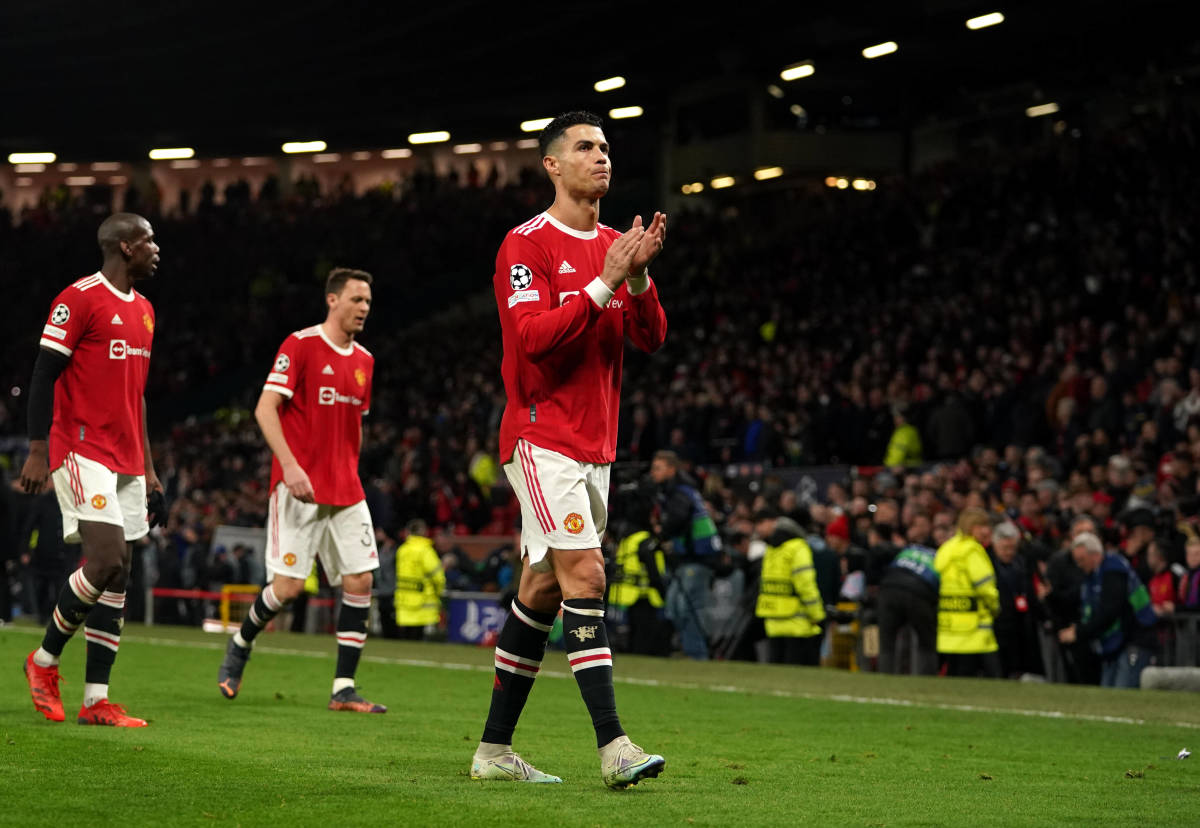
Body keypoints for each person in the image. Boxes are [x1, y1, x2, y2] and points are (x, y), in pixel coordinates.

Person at [471, 111, 668, 789]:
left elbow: (652, 338)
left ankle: (494, 751)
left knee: (544, 588)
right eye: (585, 147)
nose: (601, 157)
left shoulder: (618, 244)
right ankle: (613, 745)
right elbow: (531, 338)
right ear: (552, 165)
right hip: (539, 434)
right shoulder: (525, 244)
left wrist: (637, 279)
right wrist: (605, 283)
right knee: (586, 576)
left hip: (597, 447)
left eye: (606, 147)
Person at [216, 267, 385, 713]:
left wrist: (350, 469)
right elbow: (265, 408)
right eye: (356, 299)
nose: (363, 308)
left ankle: (343, 688)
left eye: (368, 301)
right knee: (288, 588)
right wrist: (289, 466)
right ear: (332, 300)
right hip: (299, 488)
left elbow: (355, 430)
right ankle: (241, 641)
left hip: (346, 490)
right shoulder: (301, 345)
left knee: (360, 580)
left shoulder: (365, 361)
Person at [20, 212, 164, 727]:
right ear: (124, 247)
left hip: (127, 457)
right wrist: (38, 448)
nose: (156, 249)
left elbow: (138, 396)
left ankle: (96, 700)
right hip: (81, 447)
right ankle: (42, 662)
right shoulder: (78, 298)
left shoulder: (145, 310)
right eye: (148, 241)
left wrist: (149, 470)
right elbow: (43, 373)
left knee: (120, 572)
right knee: (105, 560)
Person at [1058, 531, 1159, 687]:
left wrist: (1079, 632)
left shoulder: (1114, 569)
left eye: (1081, 560)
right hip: (1117, 644)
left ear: (1095, 555)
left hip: (1135, 638)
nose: (1079, 565)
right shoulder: (1093, 576)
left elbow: (1110, 610)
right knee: (1107, 693)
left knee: (1123, 695)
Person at [650, 449, 721, 660]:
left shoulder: (680, 491)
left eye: (658, 468)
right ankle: (689, 650)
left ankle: (697, 654)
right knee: (674, 606)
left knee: (688, 608)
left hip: (697, 558)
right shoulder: (680, 490)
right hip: (687, 559)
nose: (653, 473)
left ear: (671, 470)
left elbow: (678, 518)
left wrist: (661, 532)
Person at [753, 509, 826, 665]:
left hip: (773, 619)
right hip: (796, 622)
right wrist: (817, 614)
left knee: (776, 674)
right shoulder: (798, 547)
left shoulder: (773, 548)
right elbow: (805, 584)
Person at [935, 508, 1001, 678]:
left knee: (954, 678)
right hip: (974, 630)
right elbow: (985, 587)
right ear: (972, 527)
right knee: (990, 679)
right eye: (983, 526)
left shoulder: (947, 548)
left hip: (949, 628)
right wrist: (995, 607)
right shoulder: (971, 550)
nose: (988, 531)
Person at [875, 543, 940, 675]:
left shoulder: (909, 549)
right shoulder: (940, 557)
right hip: (919, 593)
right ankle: (927, 681)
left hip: (889, 588)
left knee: (886, 644)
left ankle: (884, 679)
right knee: (927, 643)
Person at [394, 519, 445, 640]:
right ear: (424, 532)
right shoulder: (425, 551)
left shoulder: (402, 550)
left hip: (404, 601)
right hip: (423, 603)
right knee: (419, 639)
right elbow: (437, 576)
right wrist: (439, 592)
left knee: (406, 640)